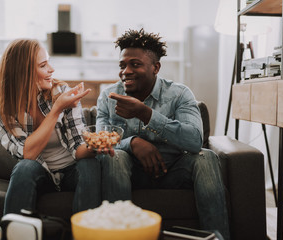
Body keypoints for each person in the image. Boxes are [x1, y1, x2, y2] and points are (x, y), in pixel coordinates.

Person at [96, 29, 230, 239]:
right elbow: (101, 142)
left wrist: (145, 114)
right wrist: (131, 143)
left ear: (155, 67)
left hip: (174, 172)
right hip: (130, 173)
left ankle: (217, 237)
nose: (126, 71)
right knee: (115, 157)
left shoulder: (179, 94)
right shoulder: (109, 96)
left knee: (206, 157)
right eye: (122, 65)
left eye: (135, 64)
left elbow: (195, 140)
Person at [0, 38, 117, 215]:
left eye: (49, 63)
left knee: (89, 165)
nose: (51, 70)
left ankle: (86, 231)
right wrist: (56, 109)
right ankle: (15, 231)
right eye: (43, 65)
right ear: (24, 72)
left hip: (72, 169)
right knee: (24, 168)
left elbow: (78, 147)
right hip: (40, 171)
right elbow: (27, 153)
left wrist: (96, 145)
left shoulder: (60, 92)